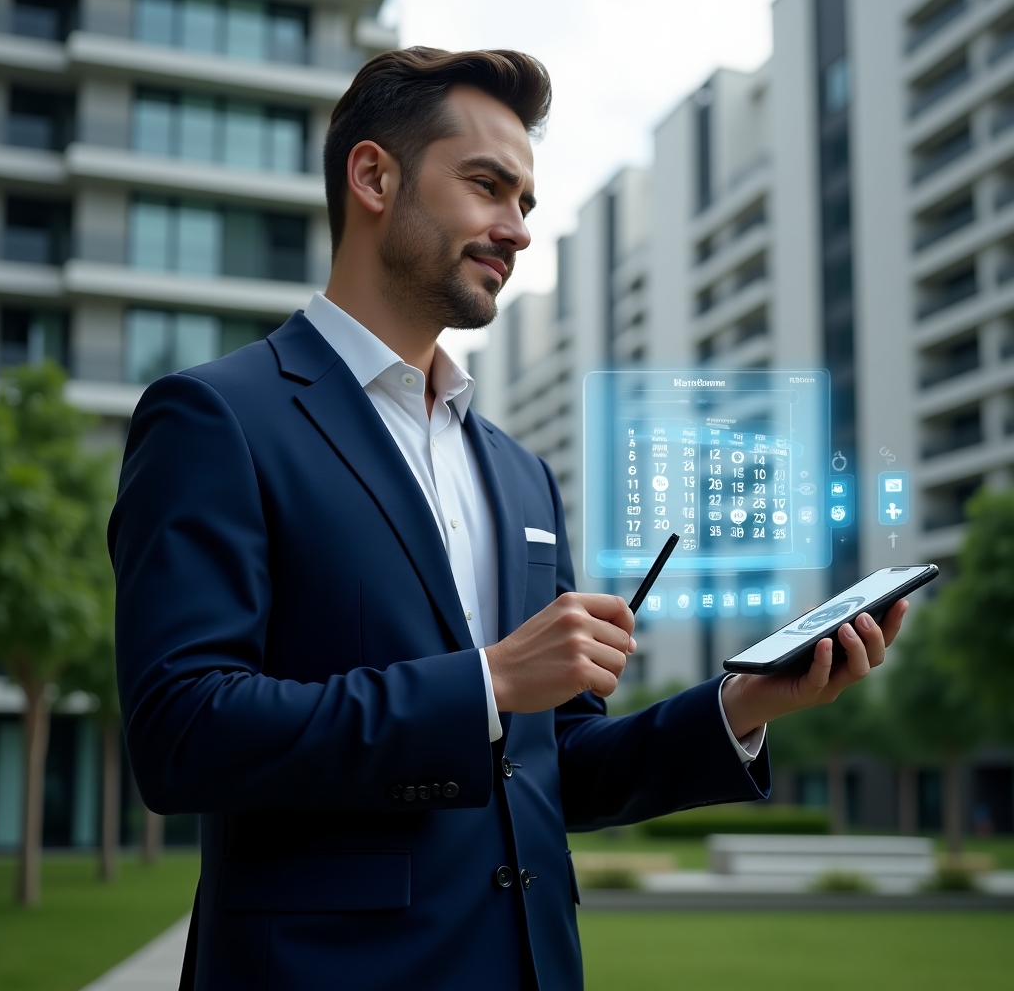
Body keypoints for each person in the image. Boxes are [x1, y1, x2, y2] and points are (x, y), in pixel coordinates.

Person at [109, 48, 908, 991]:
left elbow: (551, 761)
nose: (518, 230)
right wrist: (488, 680)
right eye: (487, 186)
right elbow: (182, 732)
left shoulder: (521, 474)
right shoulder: (217, 418)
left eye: (526, 201)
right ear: (374, 178)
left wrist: (742, 707)